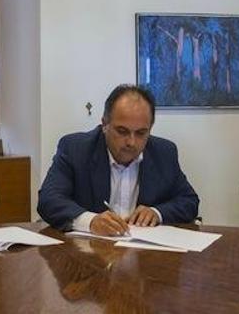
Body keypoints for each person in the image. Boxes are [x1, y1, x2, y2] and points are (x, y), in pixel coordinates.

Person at [37, 84, 199, 236]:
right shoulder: (75, 149)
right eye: (122, 131)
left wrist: (157, 213)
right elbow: (49, 200)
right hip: (88, 255)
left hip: (145, 254)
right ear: (104, 125)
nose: (131, 142)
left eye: (141, 133)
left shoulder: (164, 153)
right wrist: (90, 221)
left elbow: (189, 201)